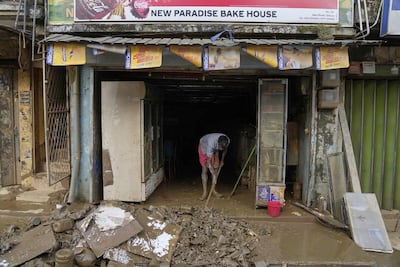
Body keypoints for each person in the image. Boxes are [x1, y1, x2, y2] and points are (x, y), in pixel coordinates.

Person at [198, 133, 230, 200]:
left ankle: (213, 190)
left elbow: (225, 150)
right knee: (205, 169)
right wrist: (213, 175)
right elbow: (209, 163)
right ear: (218, 143)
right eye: (221, 147)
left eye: (222, 148)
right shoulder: (211, 143)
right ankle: (205, 192)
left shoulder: (227, 140)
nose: (221, 149)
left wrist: (222, 160)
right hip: (204, 147)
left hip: (215, 149)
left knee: (216, 167)